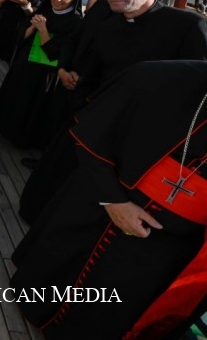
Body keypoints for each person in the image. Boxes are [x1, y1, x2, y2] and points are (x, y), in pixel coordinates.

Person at [11, 60, 207, 339]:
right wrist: (113, 200)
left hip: (173, 247)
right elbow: (94, 133)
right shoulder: (160, 77)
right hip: (102, 212)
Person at [19, 0, 207, 223]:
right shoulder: (108, 27)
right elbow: (94, 74)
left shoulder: (188, 27)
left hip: (150, 136)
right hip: (102, 116)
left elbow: (197, 94)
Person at [0, 0, 82, 149]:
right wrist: (32, 27)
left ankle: (24, 139)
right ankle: (7, 130)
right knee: (16, 97)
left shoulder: (75, 22)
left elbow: (56, 54)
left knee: (33, 106)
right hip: (25, 65)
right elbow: (20, 36)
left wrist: (43, 30)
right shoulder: (45, 11)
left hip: (45, 74)